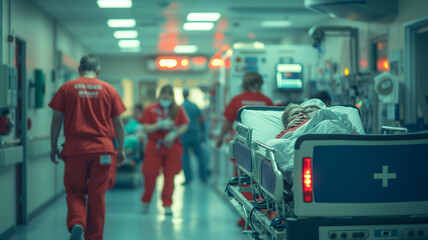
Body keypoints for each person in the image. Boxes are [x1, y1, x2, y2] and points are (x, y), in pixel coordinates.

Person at [49, 54, 126, 240]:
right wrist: (121, 149)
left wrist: (53, 146)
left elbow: (57, 119)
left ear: (79, 69)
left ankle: (77, 223)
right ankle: (94, 236)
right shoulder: (109, 90)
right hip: (103, 150)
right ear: (98, 71)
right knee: (97, 195)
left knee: (75, 190)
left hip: (76, 150)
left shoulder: (67, 88)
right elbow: (118, 124)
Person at [139, 85, 189, 216]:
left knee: (169, 177)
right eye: (163, 97)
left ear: (172, 98)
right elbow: (145, 129)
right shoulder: (150, 109)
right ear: (159, 96)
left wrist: (175, 133)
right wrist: (159, 125)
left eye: (168, 98)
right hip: (154, 146)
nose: (165, 100)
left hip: (172, 146)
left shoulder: (178, 110)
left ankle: (167, 204)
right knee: (150, 176)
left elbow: (185, 125)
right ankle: (146, 200)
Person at [216, 71, 274, 147]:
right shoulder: (267, 101)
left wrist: (220, 137)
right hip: (262, 142)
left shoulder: (237, 100)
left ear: (244, 84)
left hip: (242, 142)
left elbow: (228, 122)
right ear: (261, 84)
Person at [180, 87, 208, 185]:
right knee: (200, 156)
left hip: (184, 135)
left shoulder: (181, 107)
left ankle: (188, 179)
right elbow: (201, 120)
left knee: (185, 157)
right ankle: (203, 177)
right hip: (195, 135)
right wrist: (203, 134)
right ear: (188, 94)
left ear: (183, 95)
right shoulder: (194, 106)